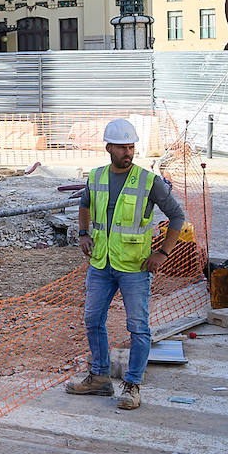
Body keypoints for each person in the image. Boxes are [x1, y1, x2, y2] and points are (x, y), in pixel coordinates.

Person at [66, 118, 185, 411]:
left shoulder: (148, 181)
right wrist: (83, 233)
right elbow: (84, 205)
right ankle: (99, 378)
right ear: (109, 148)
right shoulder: (96, 177)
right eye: (122, 147)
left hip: (134, 267)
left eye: (131, 147)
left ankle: (132, 385)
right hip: (101, 264)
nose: (128, 152)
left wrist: (163, 253)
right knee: (93, 321)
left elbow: (178, 217)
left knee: (138, 327)